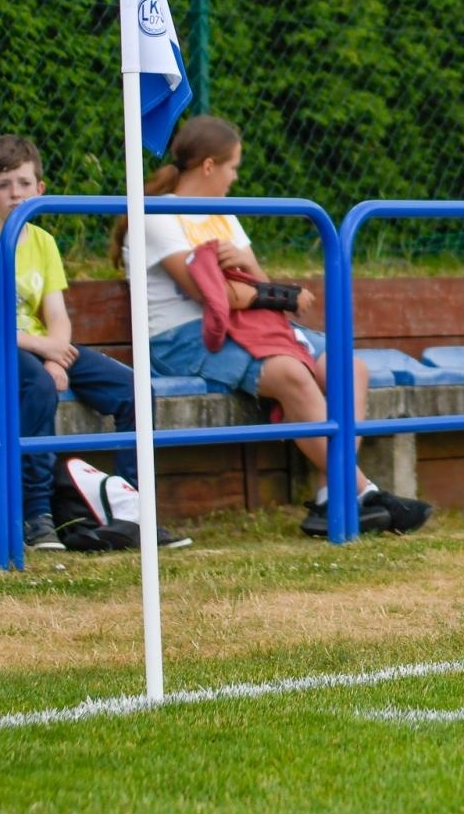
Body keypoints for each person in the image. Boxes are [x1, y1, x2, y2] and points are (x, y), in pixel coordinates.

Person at [110, 116, 431, 538]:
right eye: (232, 168)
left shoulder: (224, 215)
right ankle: (363, 491)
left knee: (348, 368)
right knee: (291, 374)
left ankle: (330, 495)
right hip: (183, 338)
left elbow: (259, 286)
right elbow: (212, 296)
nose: (234, 178)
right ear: (208, 166)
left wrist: (244, 267)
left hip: (250, 326)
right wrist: (253, 290)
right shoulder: (158, 216)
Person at [0, 136, 190, 550]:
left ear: (40, 190)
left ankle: (132, 510)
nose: (15, 194)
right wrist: (43, 350)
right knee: (36, 383)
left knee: (133, 389)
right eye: (5, 185)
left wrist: (57, 355)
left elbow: (58, 317)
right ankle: (36, 515)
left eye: (24, 184)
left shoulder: (43, 242)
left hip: (37, 348)